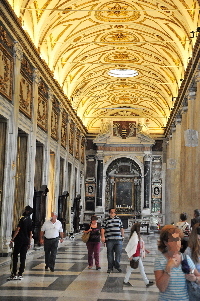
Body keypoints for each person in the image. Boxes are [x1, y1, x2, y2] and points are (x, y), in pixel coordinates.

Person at [154, 225, 199, 301]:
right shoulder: (160, 260)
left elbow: (198, 276)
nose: (177, 243)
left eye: (178, 239)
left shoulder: (186, 258)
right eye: (173, 240)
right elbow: (162, 288)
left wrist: (195, 279)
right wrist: (168, 269)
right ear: (165, 242)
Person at [123, 222, 154, 287]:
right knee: (133, 268)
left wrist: (145, 250)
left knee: (139, 268)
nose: (141, 229)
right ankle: (146, 282)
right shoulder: (135, 236)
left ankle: (147, 282)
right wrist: (131, 255)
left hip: (136, 255)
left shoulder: (136, 235)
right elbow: (132, 246)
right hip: (135, 255)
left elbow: (139, 245)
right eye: (140, 228)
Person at [7, 205, 33, 280]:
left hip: (19, 240)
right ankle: (20, 273)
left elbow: (18, 229)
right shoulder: (30, 220)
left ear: (26, 211)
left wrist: (12, 238)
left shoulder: (22, 219)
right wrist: (29, 243)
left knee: (15, 256)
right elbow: (30, 233)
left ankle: (14, 273)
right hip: (26, 241)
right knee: (23, 257)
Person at [101, 208, 124, 273]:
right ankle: (110, 268)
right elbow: (103, 229)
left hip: (118, 239)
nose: (112, 213)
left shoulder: (119, 219)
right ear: (109, 213)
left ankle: (117, 265)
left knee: (118, 253)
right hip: (109, 239)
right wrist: (103, 237)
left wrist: (122, 237)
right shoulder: (106, 220)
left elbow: (121, 228)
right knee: (110, 254)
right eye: (111, 212)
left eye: (114, 212)